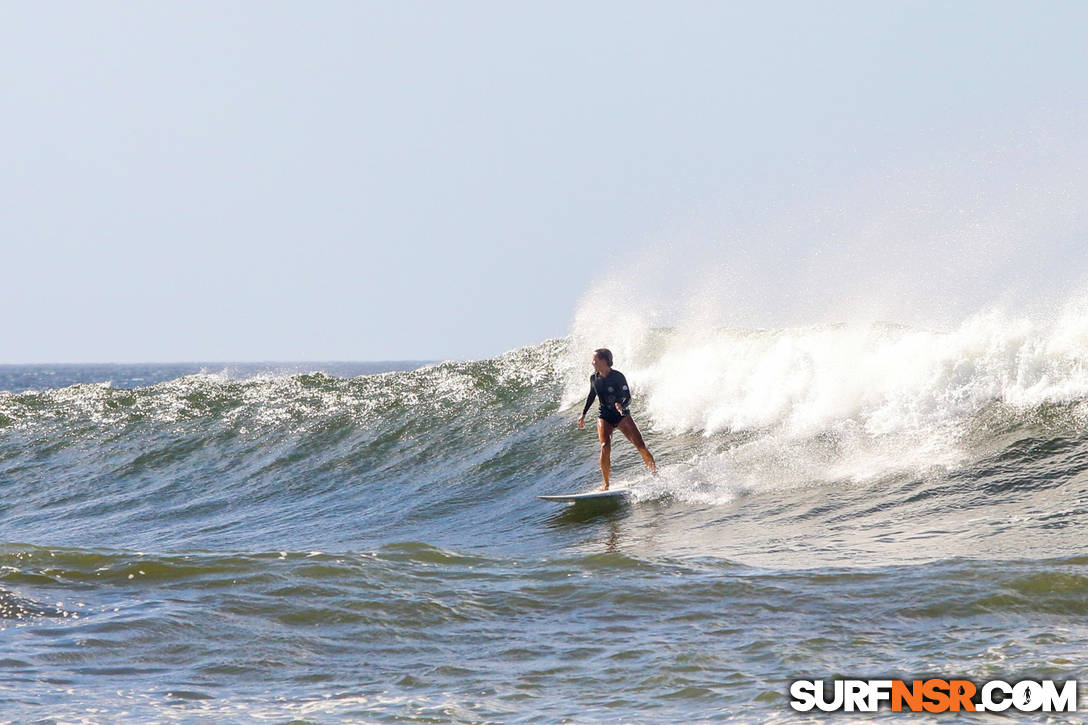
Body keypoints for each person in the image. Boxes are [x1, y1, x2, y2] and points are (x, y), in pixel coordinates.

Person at [577, 348, 657, 490]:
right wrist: (583, 414)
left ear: (603, 361)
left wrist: (622, 405)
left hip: (621, 415)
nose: (592, 362)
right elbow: (591, 395)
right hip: (604, 415)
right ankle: (606, 484)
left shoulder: (618, 376)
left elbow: (628, 396)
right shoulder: (594, 378)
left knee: (640, 445)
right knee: (604, 446)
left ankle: (655, 473)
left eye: (594, 360)